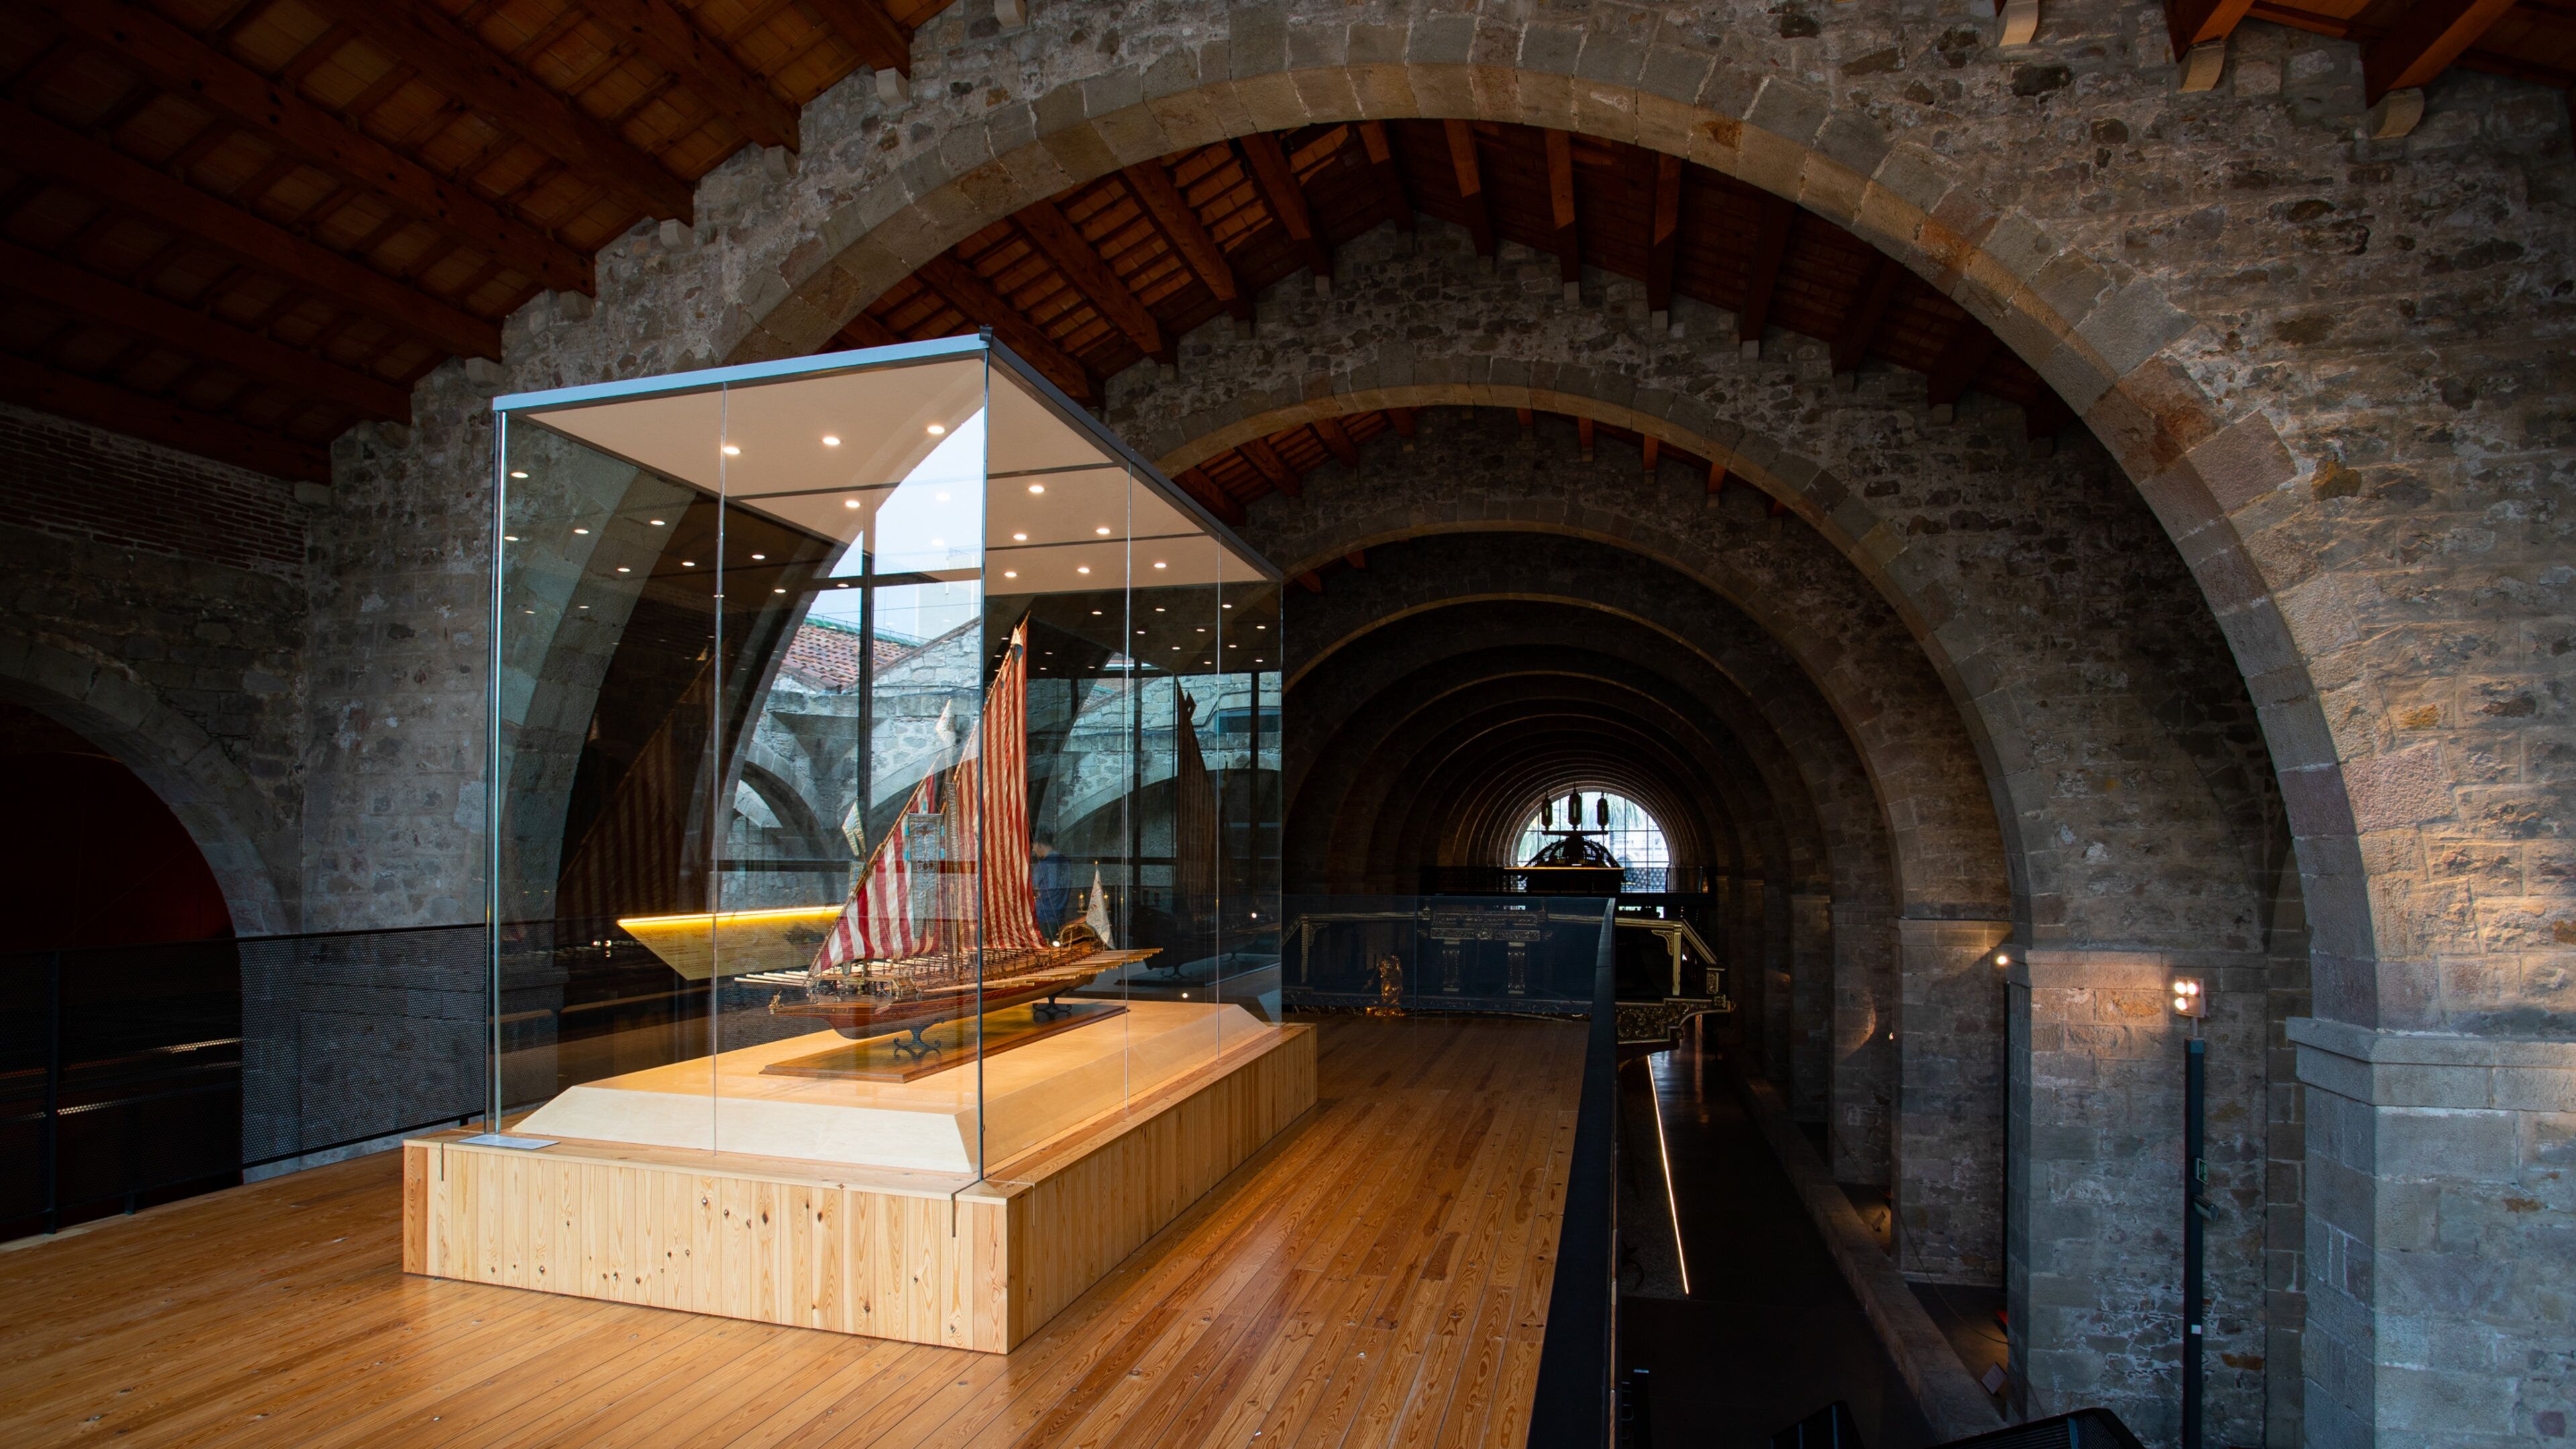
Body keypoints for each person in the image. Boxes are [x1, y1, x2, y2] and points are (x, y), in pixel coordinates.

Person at [1030, 837, 1074, 938]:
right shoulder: (1066, 862)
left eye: (1033, 846)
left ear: (1039, 845)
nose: (1033, 850)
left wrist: (1038, 894)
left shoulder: (1043, 865)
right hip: (1061, 913)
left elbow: (1031, 887)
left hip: (1045, 915)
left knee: (1047, 946)